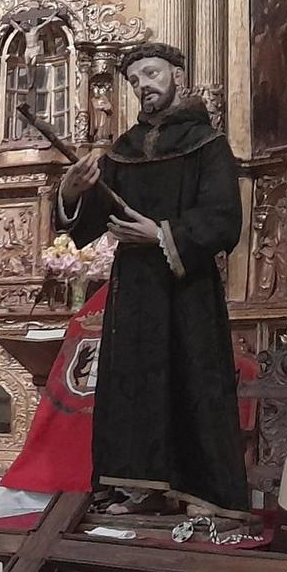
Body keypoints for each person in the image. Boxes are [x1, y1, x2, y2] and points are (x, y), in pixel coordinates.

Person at [55, 42, 248, 517]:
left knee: (193, 382)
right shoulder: (123, 151)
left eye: (152, 73)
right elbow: (89, 222)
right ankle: (134, 488)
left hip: (187, 292)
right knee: (133, 387)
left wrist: (160, 233)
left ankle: (203, 494)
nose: (144, 85)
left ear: (175, 75)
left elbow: (225, 219)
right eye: (136, 79)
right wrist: (71, 190)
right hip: (136, 294)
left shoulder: (208, 143)